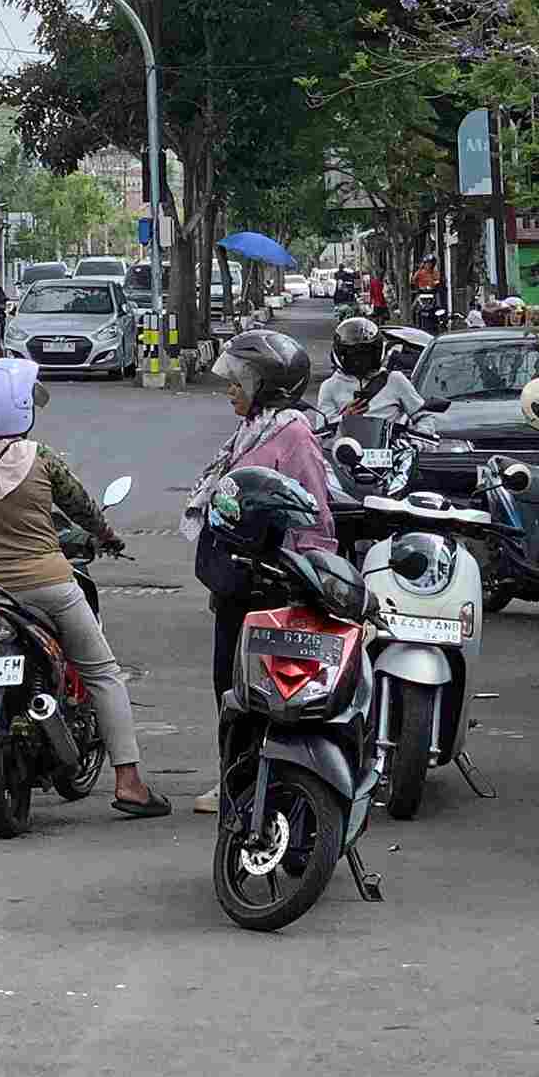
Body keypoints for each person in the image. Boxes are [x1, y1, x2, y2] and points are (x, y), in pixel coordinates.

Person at [0, 358, 166, 818]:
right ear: (20, 407)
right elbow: (84, 510)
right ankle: (130, 782)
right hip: (46, 586)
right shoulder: (42, 458)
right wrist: (108, 537)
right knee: (102, 673)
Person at [181, 328, 334, 810]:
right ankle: (235, 781)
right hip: (237, 582)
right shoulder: (254, 428)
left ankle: (261, 785)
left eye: (240, 381)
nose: (231, 388)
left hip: (271, 588)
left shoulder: (293, 434)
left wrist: (310, 577)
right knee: (229, 687)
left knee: (264, 690)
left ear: (266, 385)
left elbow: (314, 514)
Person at [314, 316, 427, 426]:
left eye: (366, 353)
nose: (360, 359)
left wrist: (419, 440)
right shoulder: (329, 387)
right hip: (347, 443)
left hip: (389, 444)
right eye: (353, 354)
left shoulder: (395, 380)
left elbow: (423, 416)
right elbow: (322, 431)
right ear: (341, 354)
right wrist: (345, 418)